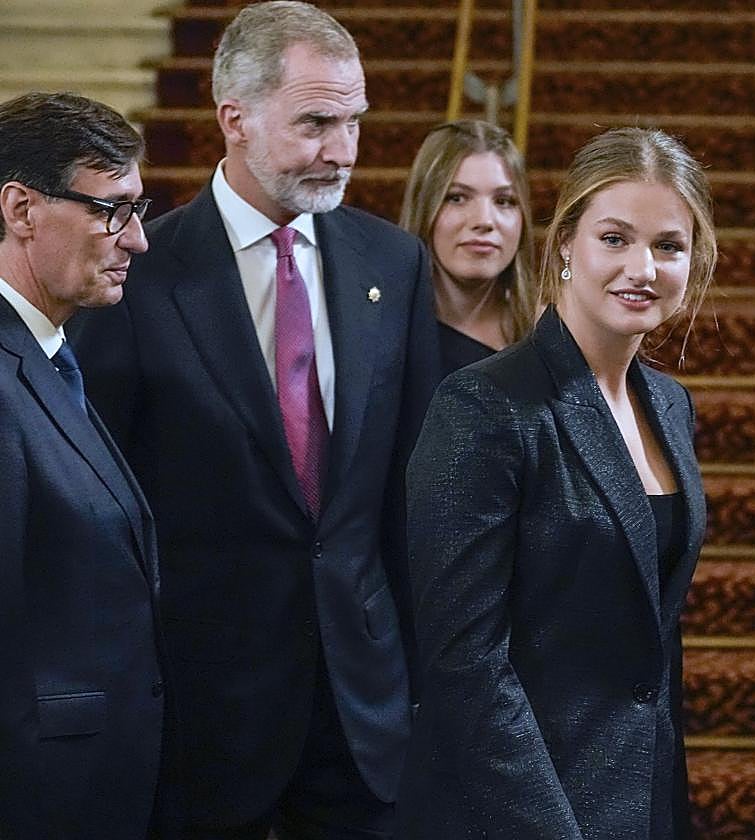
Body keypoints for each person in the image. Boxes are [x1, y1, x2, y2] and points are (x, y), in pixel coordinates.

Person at [67, 2, 439, 837]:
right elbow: (105, 514)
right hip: (206, 713)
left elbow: (409, 498)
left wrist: (415, 678)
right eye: (315, 122)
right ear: (233, 118)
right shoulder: (138, 276)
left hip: (361, 712)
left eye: (353, 121)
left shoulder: (396, 263)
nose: (342, 150)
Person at [401, 127, 717, 839]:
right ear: (566, 242)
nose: (643, 267)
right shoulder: (483, 405)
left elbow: (652, 656)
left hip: (639, 801)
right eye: (615, 238)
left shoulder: (669, 404)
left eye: (669, 246)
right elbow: (467, 668)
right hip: (514, 810)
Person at [0, 91, 163, 838]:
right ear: (21, 209)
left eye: (138, 208)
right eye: (111, 210)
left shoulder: (53, 356)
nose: (137, 240)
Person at [399, 119, 538, 378]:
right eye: (457, 198)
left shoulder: (552, 334)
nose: (484, 221)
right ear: (424, 207)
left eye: (504, 201)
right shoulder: (382, 331)